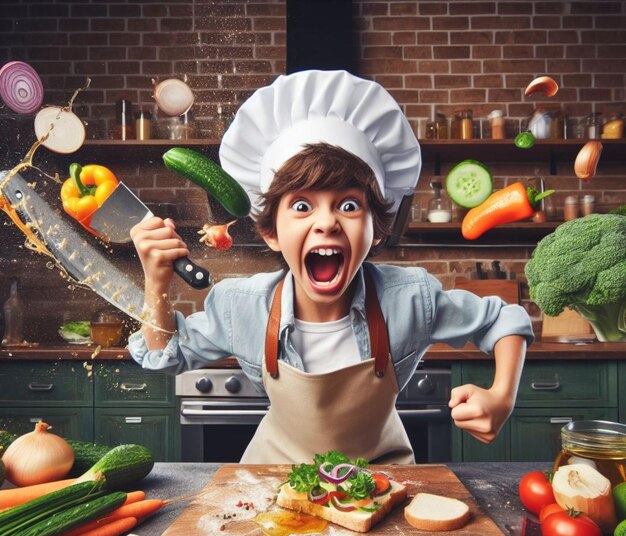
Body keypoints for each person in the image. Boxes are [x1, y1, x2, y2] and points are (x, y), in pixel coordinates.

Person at [129, 70, 533, 464]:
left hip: (382, 482)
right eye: (302, 206)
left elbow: (504, 319)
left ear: (376, 231)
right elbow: (165, 353)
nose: (326, 222)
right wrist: (156, 283)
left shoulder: (409, 298)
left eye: (350, 205)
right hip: (272, 483)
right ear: (271, 232)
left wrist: (501, 396)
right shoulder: (242, 306)